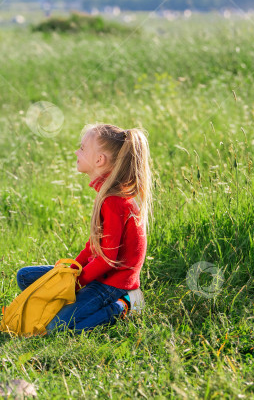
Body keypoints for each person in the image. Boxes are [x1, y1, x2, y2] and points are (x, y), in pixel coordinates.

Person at [15, 123, 153, 333]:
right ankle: (73, 304)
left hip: (113, 284)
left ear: (99, 160)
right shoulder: (107, 194)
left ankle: (124, 306)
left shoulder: (114, 201)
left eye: (82, 148)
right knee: (25, 276)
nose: (76, 152)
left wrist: (76, 283)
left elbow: (107, 259)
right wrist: (71, 272)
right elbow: (93, 247)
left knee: (56, 328)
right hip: (98, 277)